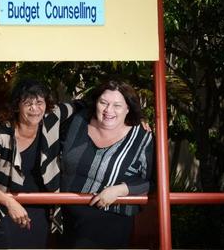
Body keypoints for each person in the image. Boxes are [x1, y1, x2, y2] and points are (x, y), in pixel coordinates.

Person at [0, 79, 81, 248]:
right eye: (28, 103)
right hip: (3, 209)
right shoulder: (1, 131)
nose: (35, 109)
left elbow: (81, 105)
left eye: (39, 102)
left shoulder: (52, 118)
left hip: (41, 210)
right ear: (16, 106)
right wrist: (10, 202)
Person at [59, 79, 153, 249]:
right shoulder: (78, 120)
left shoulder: (141, 137)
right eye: (103, 102)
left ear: (128, 108)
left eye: (117, 105)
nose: (109, 110)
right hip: (67, 220)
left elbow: (153, 182)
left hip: (110, 221)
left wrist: (120, 190)